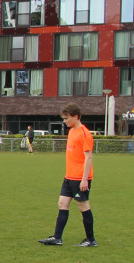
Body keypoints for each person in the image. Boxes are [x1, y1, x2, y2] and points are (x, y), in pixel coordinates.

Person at [38, 103, 96, 247]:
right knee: (62, 204)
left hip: (79, 179)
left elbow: (88, 157)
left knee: (83, 206)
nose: (64, 121)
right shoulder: (71, 132)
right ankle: (57, 238)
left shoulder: (85, 133)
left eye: (66, 118)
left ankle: (91, 240)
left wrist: (84, 180)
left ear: (75, 117)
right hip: (69, 177)